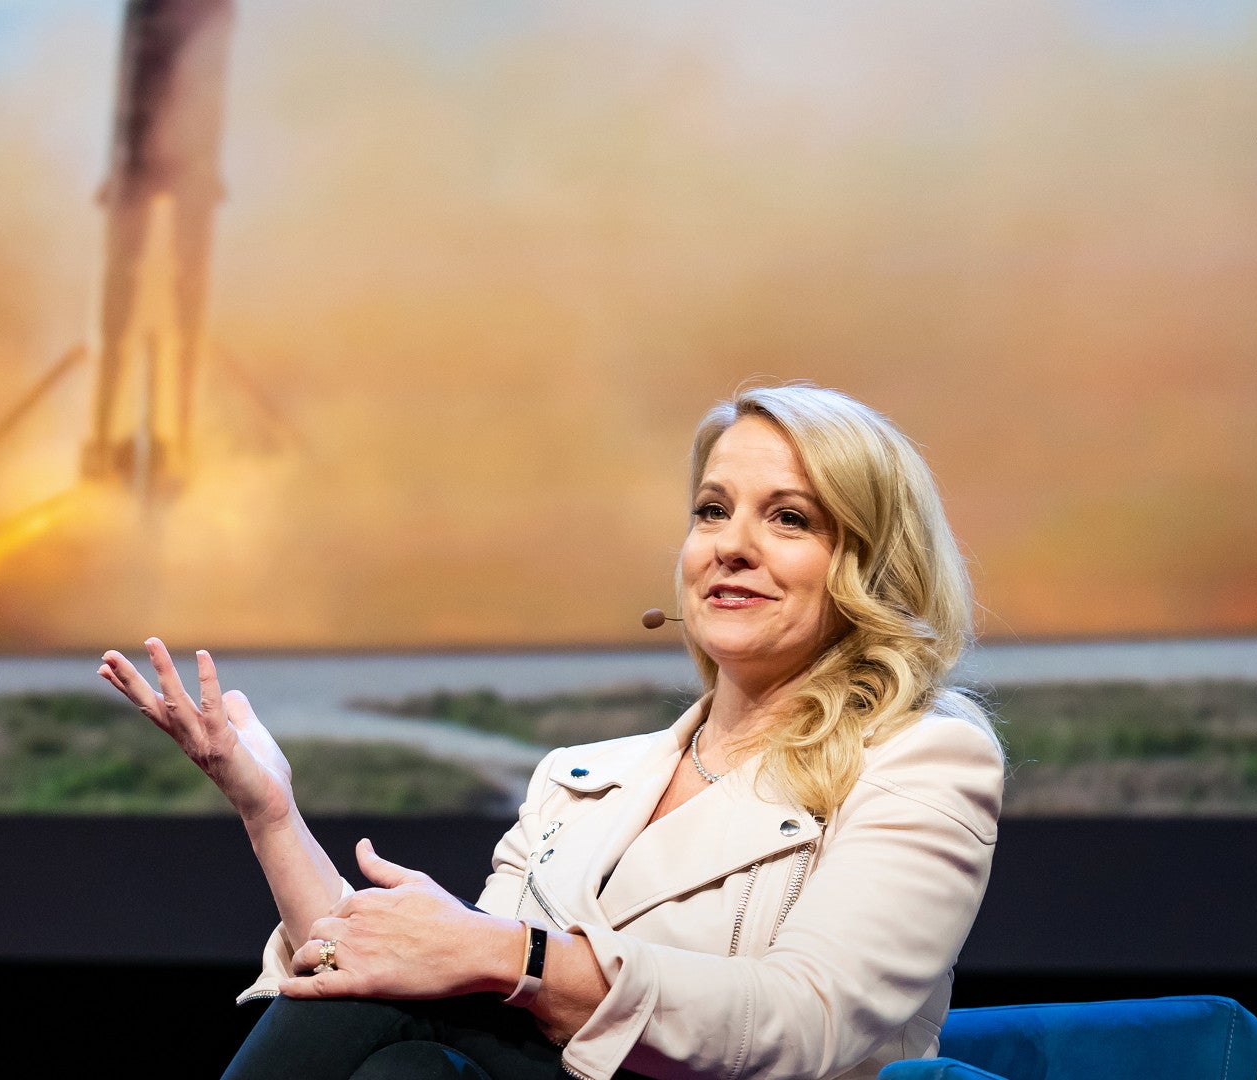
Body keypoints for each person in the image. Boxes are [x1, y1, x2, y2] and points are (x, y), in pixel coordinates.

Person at [98, 383, 1005, 1080]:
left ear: (867, 567)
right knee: (406, 1067)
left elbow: (807, 1019)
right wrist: (269, 812)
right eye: (711, 510)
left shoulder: (926, 757)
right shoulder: (582, 779)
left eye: (790, 518)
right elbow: (413, 977)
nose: (730, 545)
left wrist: (508, 953)